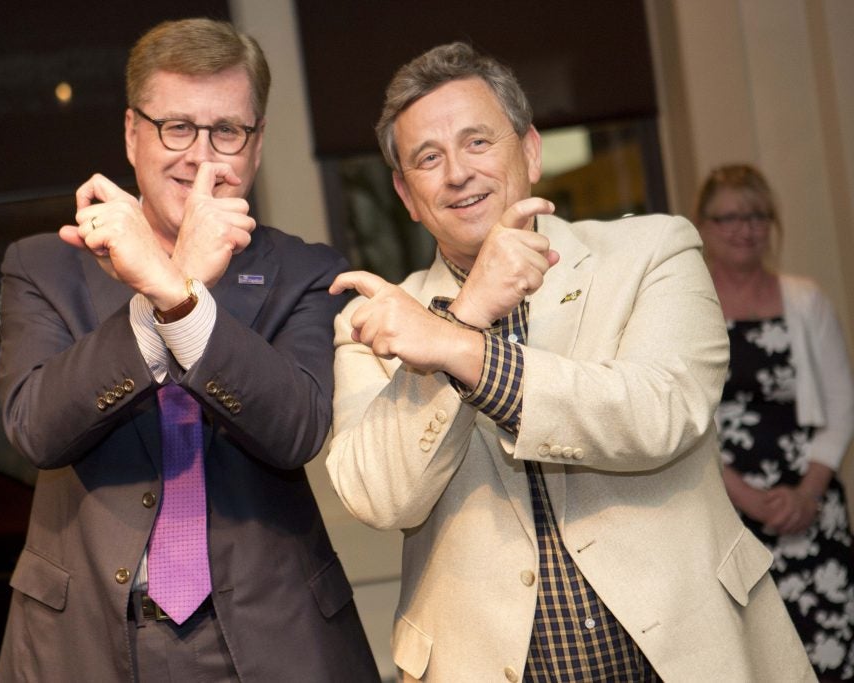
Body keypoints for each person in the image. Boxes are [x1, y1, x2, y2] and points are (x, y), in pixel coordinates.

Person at [326, 41, 815, 682]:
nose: (457, 173)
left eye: (478, 142)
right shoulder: (372, 324)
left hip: (683, 655)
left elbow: (660, 414)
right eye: (428, 158)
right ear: (407, 194)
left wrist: (455, 345)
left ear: (529, 151)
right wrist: (468, 310)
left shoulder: (653, 252)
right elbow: (378, 498)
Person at [0, 18, 378, 682]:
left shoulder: (305, 270)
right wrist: (156, 311)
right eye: (177, 127)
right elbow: (36, 427)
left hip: (267, 638)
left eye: (227, 130)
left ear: (256, 146)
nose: (201, 157)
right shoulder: (43, 266)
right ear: (131, 133)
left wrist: (182, 299)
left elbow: (297, 429)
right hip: (87, 639)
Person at [695, 163, 854, 681]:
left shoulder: (805, 298)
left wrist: (807, 495)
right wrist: (742, 496)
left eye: (758, 215)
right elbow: (685, 418)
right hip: (724, 509)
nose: (745, 228)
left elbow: (841, 401)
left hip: (810, 508)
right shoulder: (689, 307)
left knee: (826, 655)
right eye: (729, 218)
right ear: (702, 227)